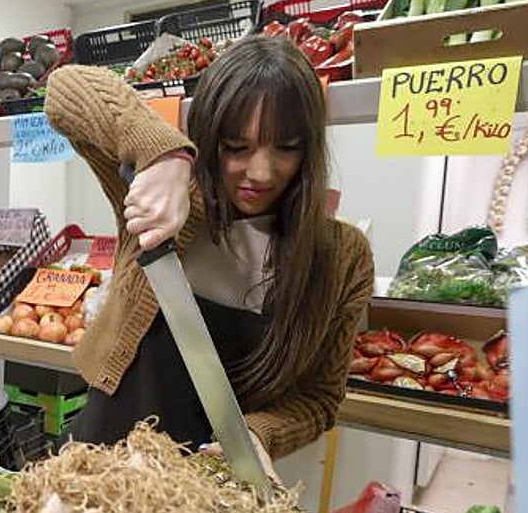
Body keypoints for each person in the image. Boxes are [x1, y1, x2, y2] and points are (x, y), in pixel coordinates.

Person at [44, 34, 374, 466]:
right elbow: (65, 89)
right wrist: (165, 158)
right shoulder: (163, 205)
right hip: (104, 456)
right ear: (210, 133)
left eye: (286, 148)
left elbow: (319, 399)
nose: (260, 173)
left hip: (213, 488)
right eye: (236, 147)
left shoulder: (342, 258)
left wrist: (260, 436)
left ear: (309, 149)